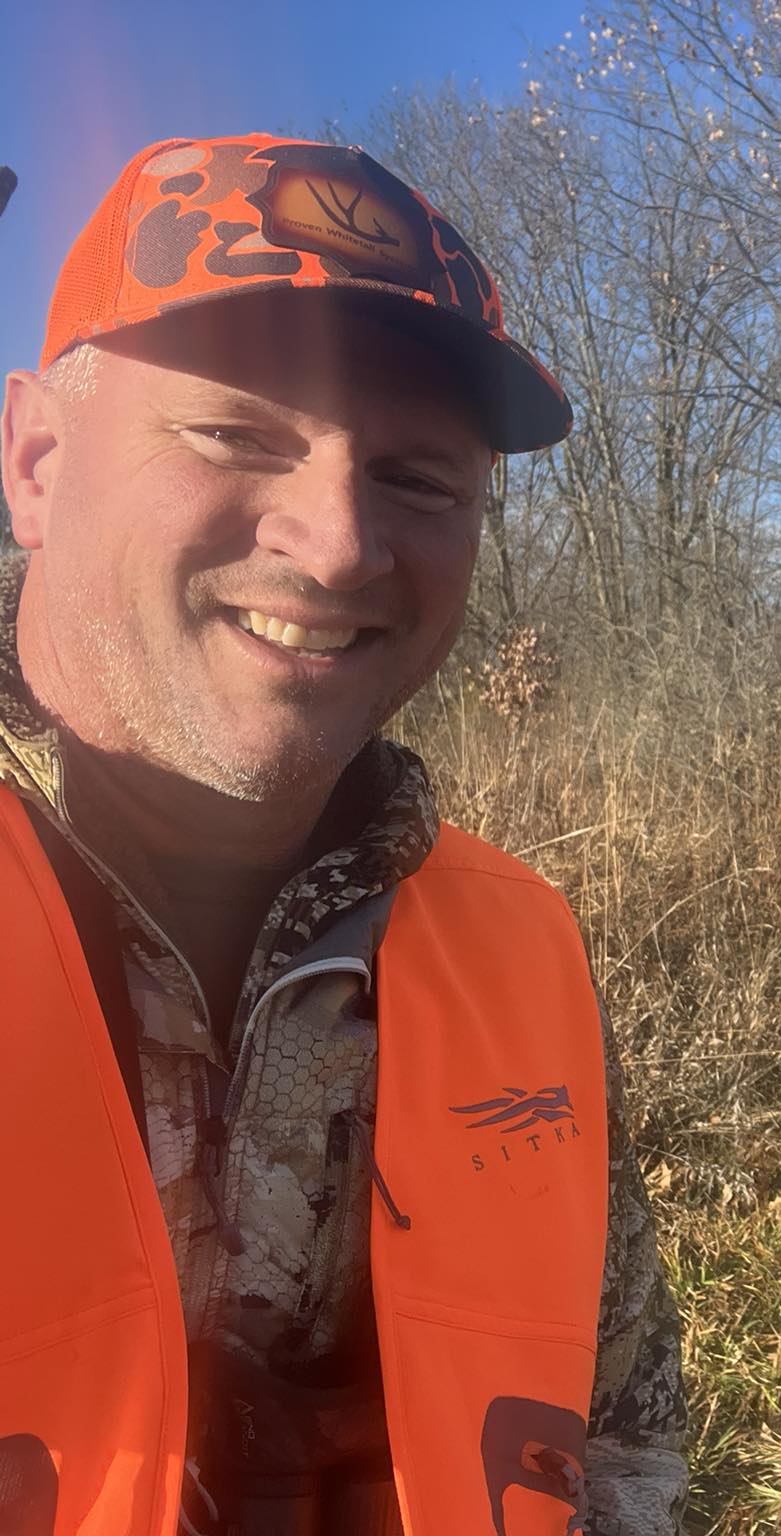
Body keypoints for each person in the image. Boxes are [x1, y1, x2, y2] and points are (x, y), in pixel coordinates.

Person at [0, 136, 683, 1534]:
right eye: (237, 432)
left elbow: (621, 1461)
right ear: (36, 460)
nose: (336, 546)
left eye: (418, 479)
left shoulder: (524, 958)